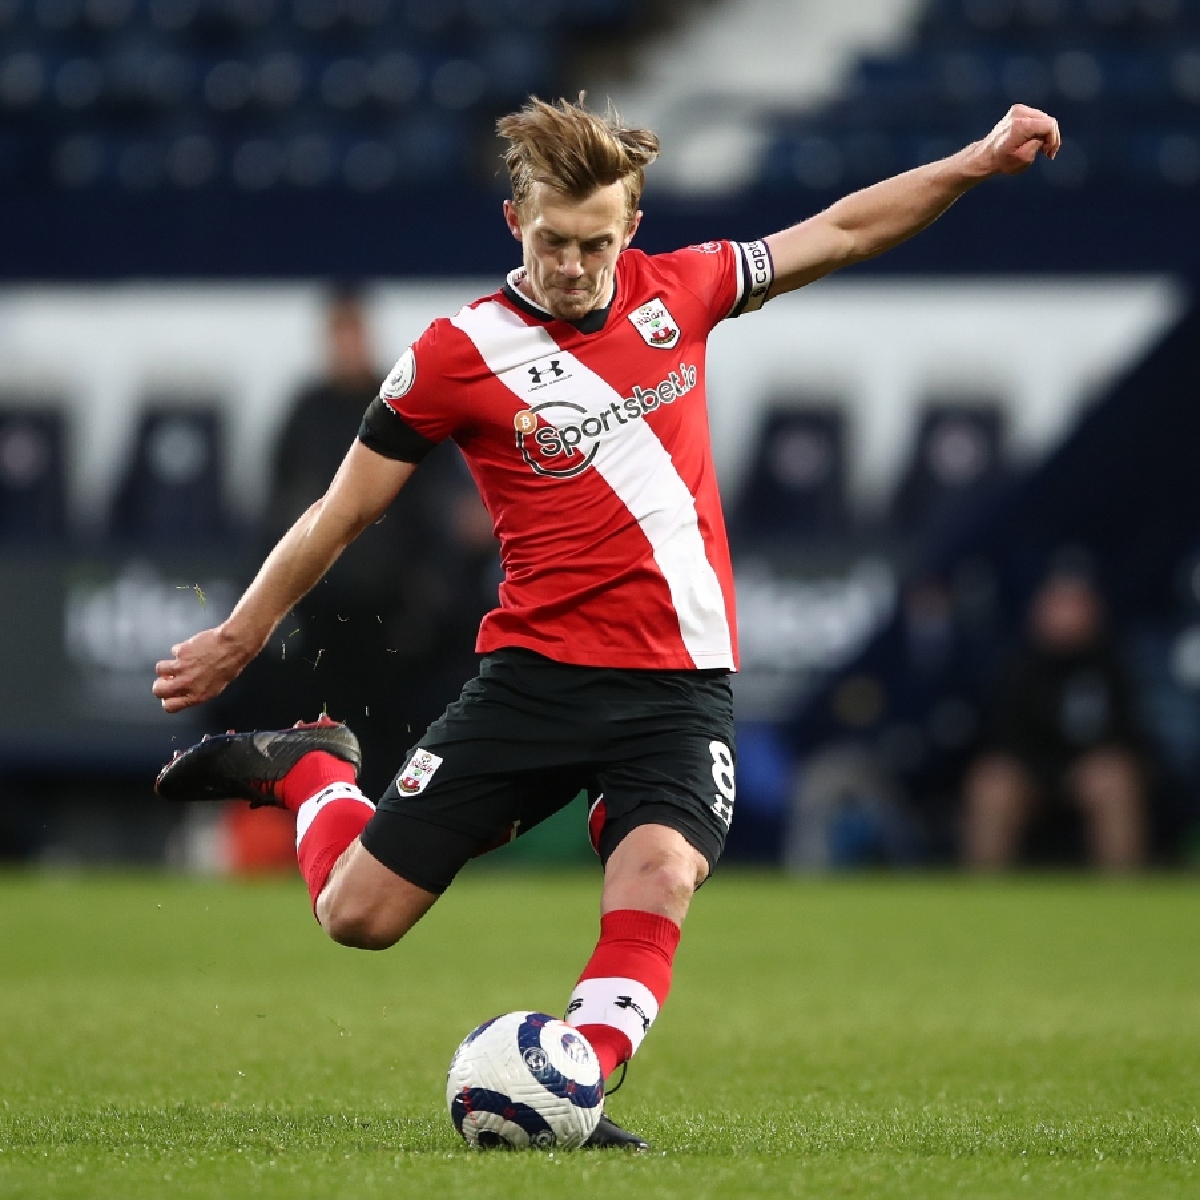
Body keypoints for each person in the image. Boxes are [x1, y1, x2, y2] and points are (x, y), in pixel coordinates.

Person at [153, 96, 1062, 1147]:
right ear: (514, 223)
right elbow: (341, 510)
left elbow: (847, 229)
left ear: (631, 227)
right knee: (357, 916)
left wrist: (972, 161)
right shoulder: (455, 356)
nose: (574, 266)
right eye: (552, 241)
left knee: (661, 873)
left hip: (678, 687)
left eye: (596, 243)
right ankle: (315, 769)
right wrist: (242, 631)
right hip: (535, 679)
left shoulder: (687, 288)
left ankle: (574, 1086)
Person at [223, 289, 497, 797]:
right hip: (322, 601)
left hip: (390, 605)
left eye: (354, 334)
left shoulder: (399, 403)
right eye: (338, 335)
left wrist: (429, 587)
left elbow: (438, 503)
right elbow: (282, 505)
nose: (346, 346)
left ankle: (382, 815)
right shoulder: (307, 412)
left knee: (386, 729)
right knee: (316, 722)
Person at [962, 566, 1148, 871]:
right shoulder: (1015, 666)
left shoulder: (1112, 667)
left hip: (1089, 772)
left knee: (1115, 779)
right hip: (1029, 772)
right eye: (1058, 605)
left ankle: (1123, 889)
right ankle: (983, 890)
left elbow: (1128, 735)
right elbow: (1002, 737)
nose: (1066, 615)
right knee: (991, 783)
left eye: (1075, 605)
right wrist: (1042, 772)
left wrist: (1087, 767)